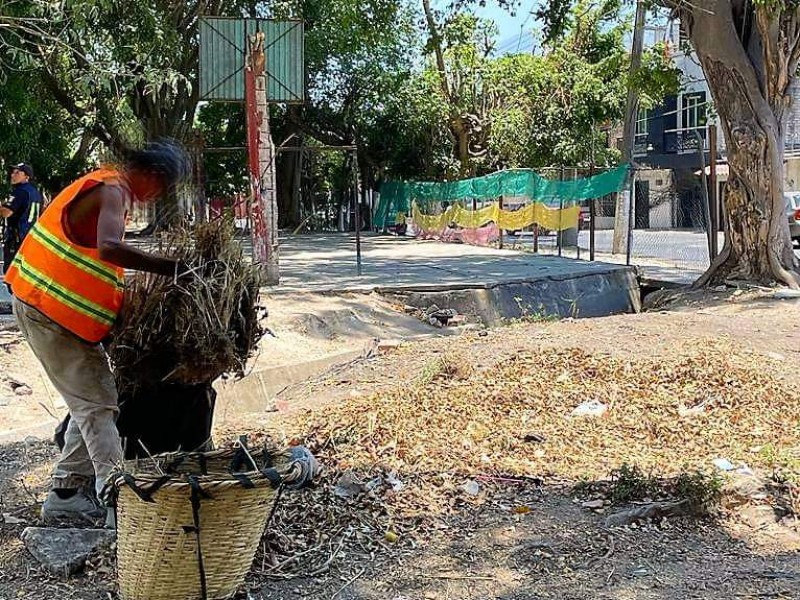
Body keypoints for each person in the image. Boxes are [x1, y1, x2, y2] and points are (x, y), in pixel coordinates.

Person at [5, 140, 192, 525]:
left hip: (54, 313)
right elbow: (109, 249)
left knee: (90, 399)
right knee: (96, 403)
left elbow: (94, 265)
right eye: (161, 186)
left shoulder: (109, 188)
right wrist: (173, 269)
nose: (156, 195)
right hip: (46, 310)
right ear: (150, 175)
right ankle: (118, 500)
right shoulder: (112, 189)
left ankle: (67, 492)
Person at [1, 163, 42, 273]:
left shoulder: (20, 192)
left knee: (11, 275)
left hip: (17, 239)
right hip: (31, 238)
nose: (12, 175)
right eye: (13, 172)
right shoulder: (36, 193)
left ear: (27, 177)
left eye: (17, 173)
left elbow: (6, 213)